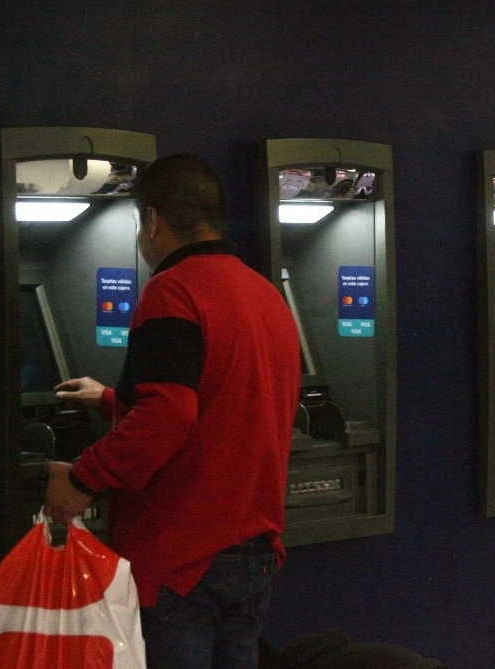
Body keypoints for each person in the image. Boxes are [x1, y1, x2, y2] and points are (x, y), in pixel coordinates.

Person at [44, 154, 301, 668]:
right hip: (254, 550)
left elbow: (170, 417)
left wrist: (81, 479)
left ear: (153, 221)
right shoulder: (267, 296)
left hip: (184, 558)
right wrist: (113, 400)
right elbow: (226, 403)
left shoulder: (172, 291)